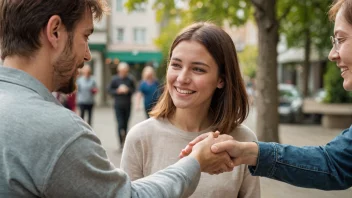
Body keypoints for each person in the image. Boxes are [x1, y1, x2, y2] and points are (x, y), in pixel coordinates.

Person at [0, 1, 236, 197]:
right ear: (55, 32)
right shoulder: (58, 132)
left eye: (198, 69)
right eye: (86, 36)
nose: (87, 54)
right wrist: (195, 162)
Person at [180, 0, 352, 190]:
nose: (332, 54)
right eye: (176, 64)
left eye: (341, 40)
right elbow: (334, 163)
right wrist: (249, 152)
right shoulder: (142, 135)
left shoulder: (242, 134)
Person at [121, 22, 260, 198]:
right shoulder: (140, 138)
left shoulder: (242, 141)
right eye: (176, 65)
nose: (182, 78)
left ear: (221, 79)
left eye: (198, 69)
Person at [108, 62, 135, 149]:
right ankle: (120, 142)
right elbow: (109, 90)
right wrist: (117, 91)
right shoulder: (114, 79)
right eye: (122, 71)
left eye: (125, 71)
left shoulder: (130, 79)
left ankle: (125, 141)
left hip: (127, 104)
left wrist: (128, 90)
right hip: (118, 105)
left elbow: (134, 89)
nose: (123, 72)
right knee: (120, 124)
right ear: (119, 71)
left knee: (126, 124)